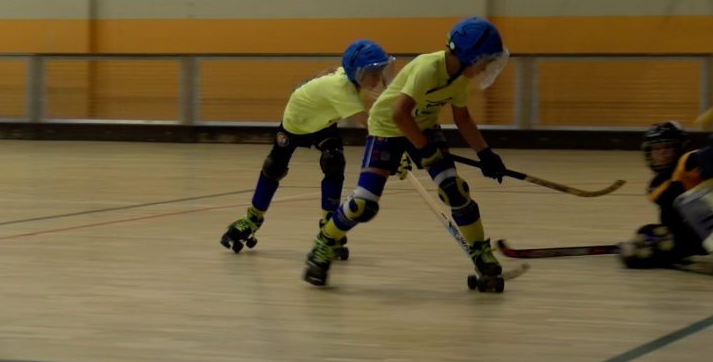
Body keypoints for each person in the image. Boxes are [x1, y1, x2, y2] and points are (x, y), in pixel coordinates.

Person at [302, 17, 510, 287]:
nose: (487, 68)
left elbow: (463, 119)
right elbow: (399, 114)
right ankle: (324, 243)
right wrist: (426, 150)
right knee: (364, 203)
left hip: (423, 127)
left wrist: (486, 154)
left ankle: (481, 251)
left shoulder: (460, 78)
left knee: (455, 190)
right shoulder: (428, 68)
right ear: (472, 57)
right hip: (387, 127)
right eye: (486, 61)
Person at [219, 39, 395, 253]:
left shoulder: (349, 78)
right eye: (373, 73)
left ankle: (329, 224)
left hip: (322, 122)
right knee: (274, 167)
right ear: (356, 72)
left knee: (333, 161)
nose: (378, 78)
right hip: (297, 121)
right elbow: (371, 125)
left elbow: (333, 69)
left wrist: (315, 80)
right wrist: (395, 149)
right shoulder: (343, 91)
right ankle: (252, 219)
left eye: (379, 72)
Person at [620, 121, 713, 278]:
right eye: (656, 149)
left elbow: (705, 159)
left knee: (639, 251)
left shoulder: (686, 163)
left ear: (680, 147)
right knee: (645, 234)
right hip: (686, 237)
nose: (662, 153)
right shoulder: (656, 184)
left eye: (667, 147)